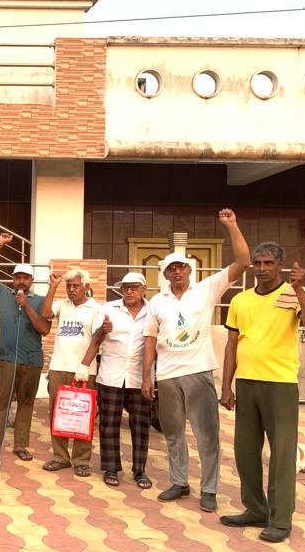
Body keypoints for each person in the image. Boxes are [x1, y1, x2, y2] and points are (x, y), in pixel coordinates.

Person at [143, 207, 250, 513]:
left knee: (206, 434)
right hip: (167, 375)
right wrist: (147, 376)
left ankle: (209, 488)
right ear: (165, 274)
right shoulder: (157, 301)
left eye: (181, 268)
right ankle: (179, 482)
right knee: (173, 432)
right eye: (171, 269)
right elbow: (150, 339)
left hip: (198, 371)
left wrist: (232, 225)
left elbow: (243, 261)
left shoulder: (206, 289)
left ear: (190, 270)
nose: (176, 272)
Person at [218, 244, 305, 543]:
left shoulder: (295, 294)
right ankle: (255, 510)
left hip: (280, 385)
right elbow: (232, 345)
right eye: (258, 263)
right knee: (245, 452)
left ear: (280, 265)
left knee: (282, 455)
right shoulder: (240, 300)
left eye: (268, 263)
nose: (262, 268)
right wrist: (226, 386)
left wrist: (299, 291)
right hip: (247, 384)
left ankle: (280, 519)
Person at [0, 234, 50, 460]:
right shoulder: (2, 294)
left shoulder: (41, 300)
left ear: (32, 280)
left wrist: (26, 306)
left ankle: (21, 446)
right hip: (8, 359)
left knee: (26, 403)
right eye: (18, 277)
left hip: (32, 360)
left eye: (26, 278)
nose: (21, 281)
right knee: (1, 402)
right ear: (13, 279)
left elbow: (44, 329)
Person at [75, 272, 153, 488]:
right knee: (109, 425)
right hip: (111, 375)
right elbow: (96, 339)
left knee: (141, 426)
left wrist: (150, 377)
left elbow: (155, 343)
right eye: (125, 287)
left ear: (144, 289)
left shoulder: (152, 311)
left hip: (140, 377)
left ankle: (140, 471)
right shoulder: (108, 309)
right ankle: (111, 468)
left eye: (134, 287)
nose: (129, 291)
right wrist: (102, 331)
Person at [39, 268, 102, 477]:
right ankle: (60, 457)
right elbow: (45, 314)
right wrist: (53, 287)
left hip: (84, 371)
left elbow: (97, 339)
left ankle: (81, 460)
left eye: (76, 286)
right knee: (58, 415)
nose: (72, 290)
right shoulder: (62, 305)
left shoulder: (96, 308)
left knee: (83, 416)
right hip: (59, 367)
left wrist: (85, 365)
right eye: (69, 286)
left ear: (87, 286)